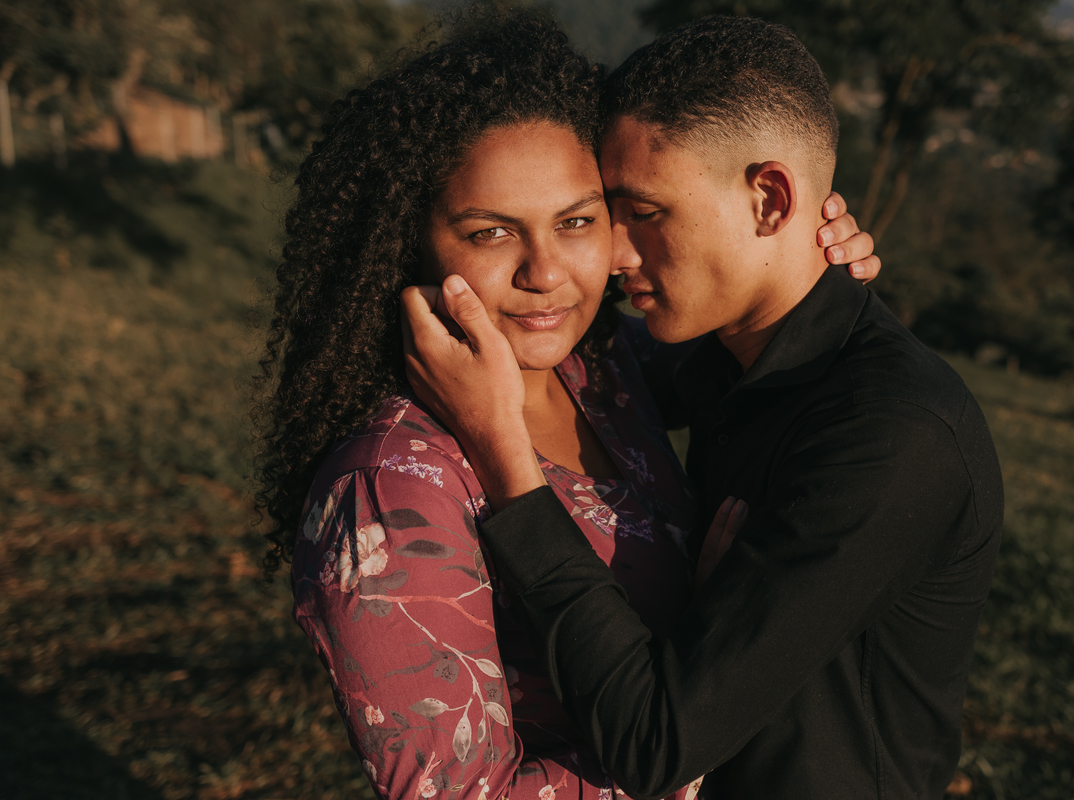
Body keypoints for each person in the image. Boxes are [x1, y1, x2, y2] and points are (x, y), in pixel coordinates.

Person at [254, 11, 876, 800]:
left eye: (577, 221)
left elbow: (736, 325)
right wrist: (697, 731)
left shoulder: (603, 373)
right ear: (411, 243)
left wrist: (807, 248)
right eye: (490, 234)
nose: (545, 272)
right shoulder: (392, 489)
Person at [402, 15, 1004, 800]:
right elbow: (596, 373)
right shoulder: (728, 355)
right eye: (608, 216)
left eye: (646, 213)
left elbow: (657, 744)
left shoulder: (890, 437)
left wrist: (504, 456)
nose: (616, 255)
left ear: (769, 199)